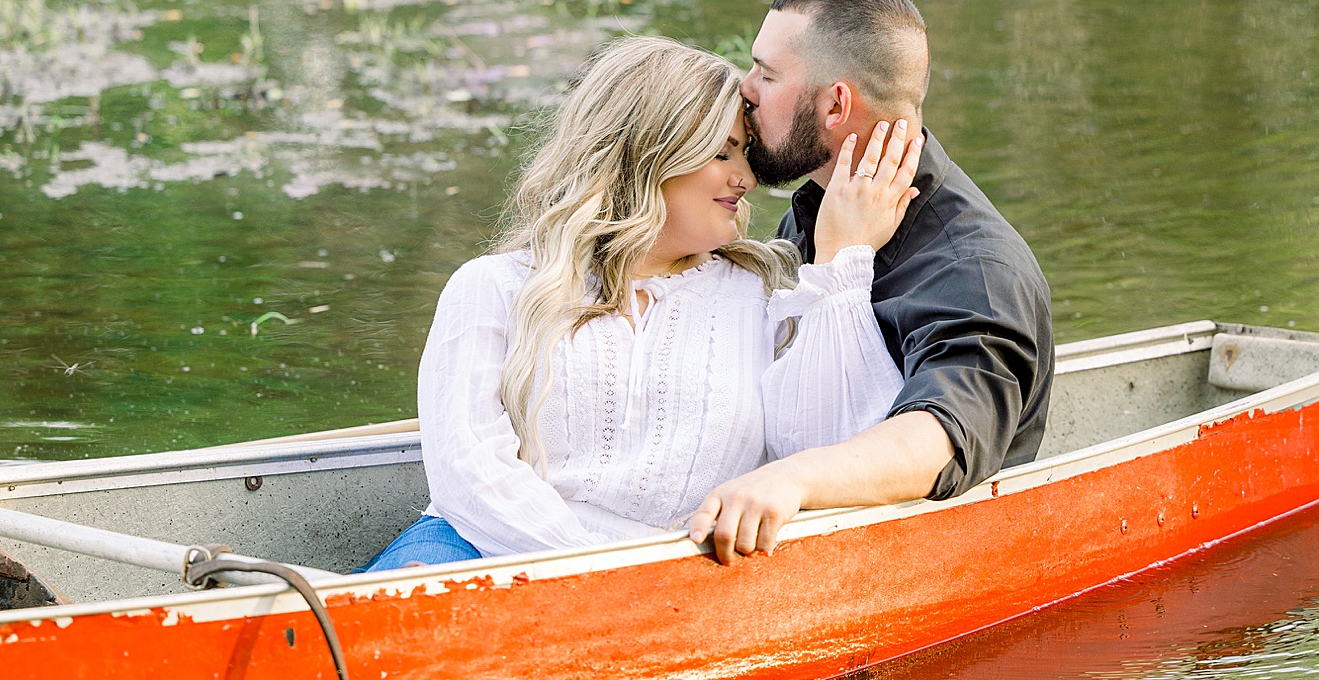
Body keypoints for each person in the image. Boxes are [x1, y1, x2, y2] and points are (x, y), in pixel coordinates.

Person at [359, 34, 924, 570]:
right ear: (649, 155)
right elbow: (470, 472)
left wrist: (841, 263)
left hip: (683, 576)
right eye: (723, 153)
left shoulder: (764, 294)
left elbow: (833, 444)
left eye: (745, 154)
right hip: (482, 551)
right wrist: (595, 571)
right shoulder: (495, 287)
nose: (747, 178)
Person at [687, 0, 1054, 565]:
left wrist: (792, 478)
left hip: (926, 566)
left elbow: (940, 437)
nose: (744, 89)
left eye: (767, 75)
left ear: (835, 106)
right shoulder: (816, 206)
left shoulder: (977, 267)